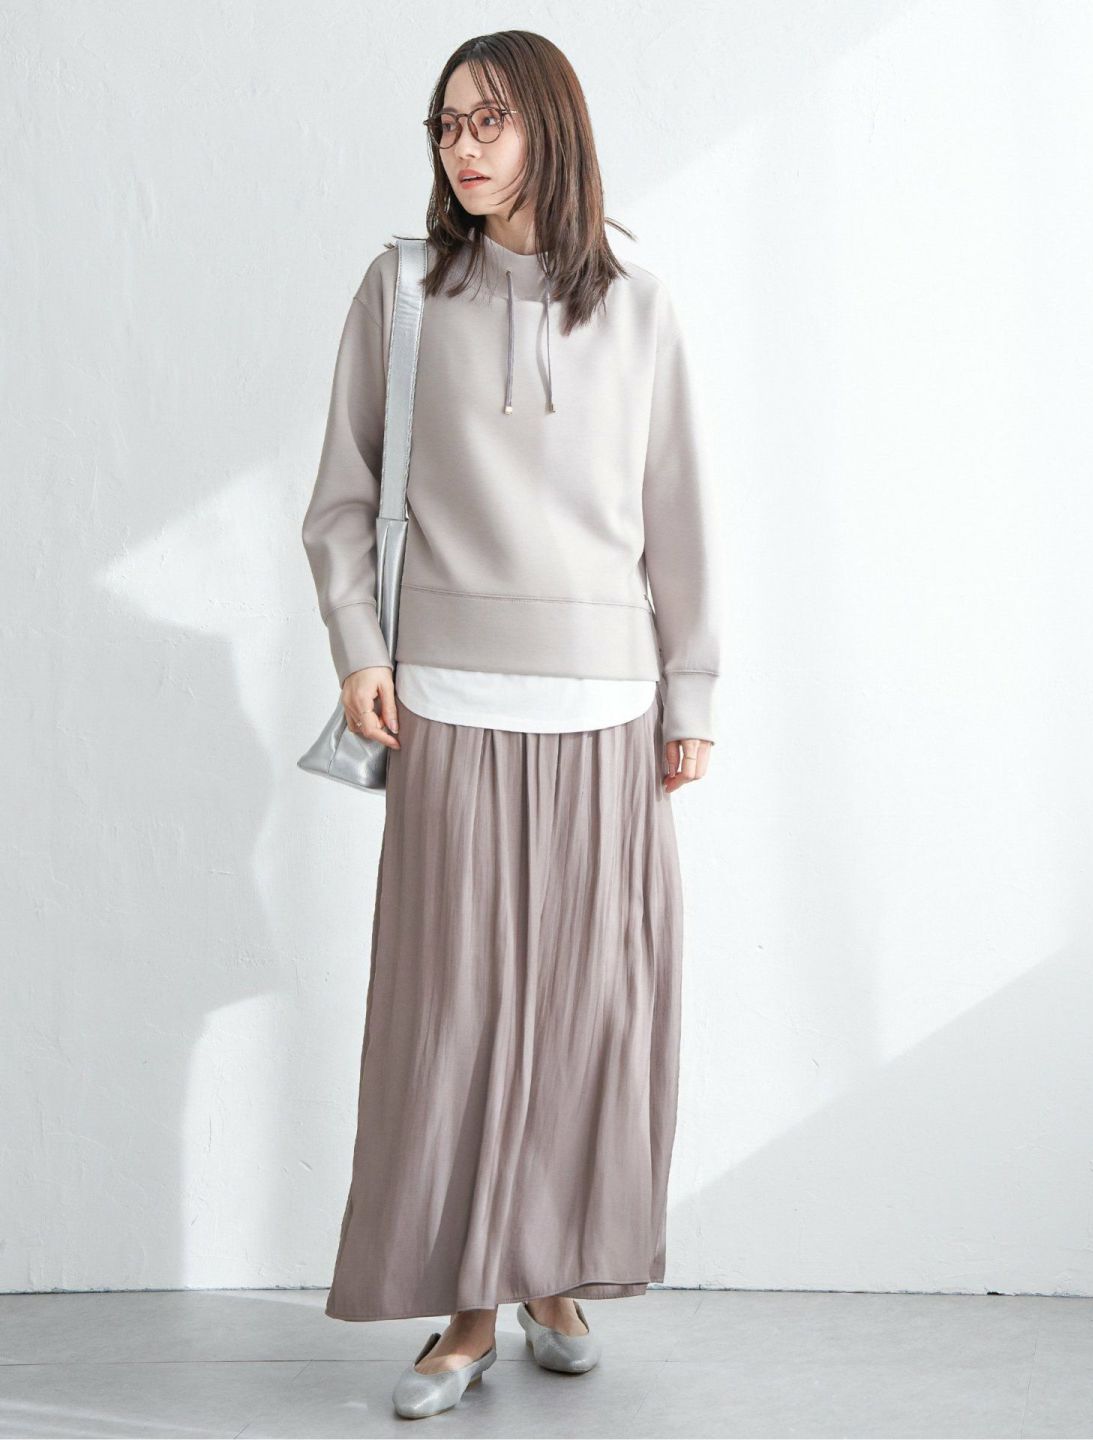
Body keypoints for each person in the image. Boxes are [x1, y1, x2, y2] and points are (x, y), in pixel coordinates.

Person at [301, 28, 722, 1420]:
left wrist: (692, 690)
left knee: (589, 1019)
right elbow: (342, 497)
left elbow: (677, 514)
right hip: (448, 705)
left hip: (608, 710)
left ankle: (553, 1278)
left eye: (489, 121)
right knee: (458, 1019)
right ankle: (469, 1311)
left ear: (551, 126)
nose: (463, 148)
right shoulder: (404, 291)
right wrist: (360, 649)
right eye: (446, 125)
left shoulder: (640, 304)